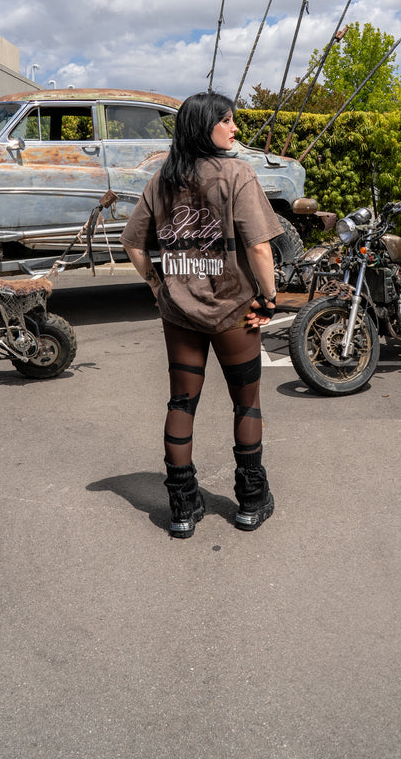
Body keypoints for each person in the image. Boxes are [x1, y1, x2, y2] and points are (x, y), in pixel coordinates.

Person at [121, 91, 284, 538]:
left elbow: (132, 243)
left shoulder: (162, 180)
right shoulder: (237, 174)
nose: (234, 129)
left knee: (181, 404)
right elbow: (259, 247)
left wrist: (157, 284)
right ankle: (250, 502)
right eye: (227, 121)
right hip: (234, 310)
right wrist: (269, 299)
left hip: (179, 315)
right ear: (203, 126)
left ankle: (181, 508)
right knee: (246, 402)